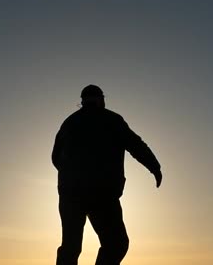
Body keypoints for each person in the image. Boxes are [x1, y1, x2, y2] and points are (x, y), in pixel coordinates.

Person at [52, 84, 162, 265]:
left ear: (82, 102)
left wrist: (71, 177)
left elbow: (55, 158)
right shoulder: (112, 120)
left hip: (70, 194)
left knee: (70, 247)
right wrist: (155, 167)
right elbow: (136, 145)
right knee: (116, 244)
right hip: (101, 194)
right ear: (101, 99)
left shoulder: (69, 123)